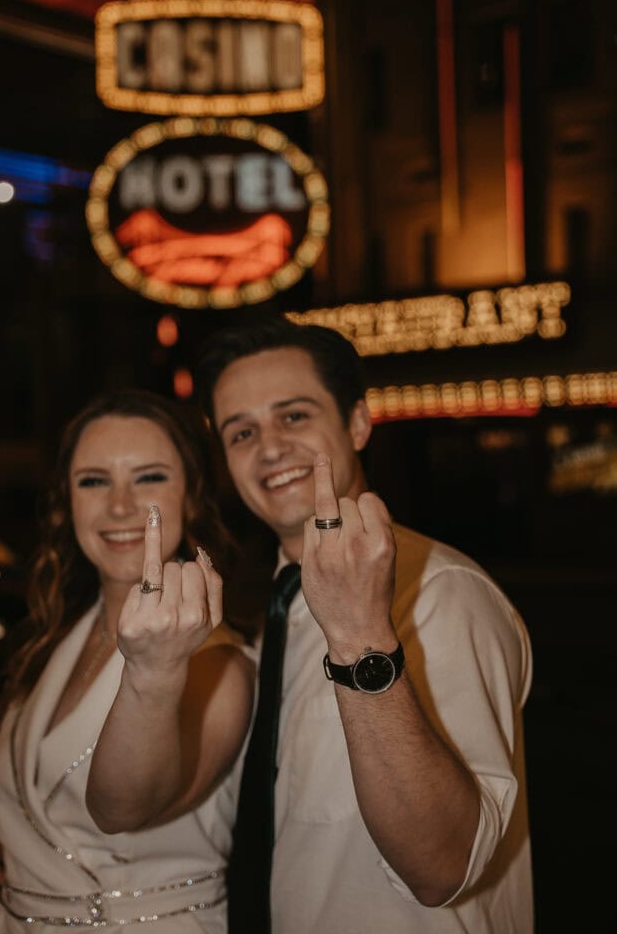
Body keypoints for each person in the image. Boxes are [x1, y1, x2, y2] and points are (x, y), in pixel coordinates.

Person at [193, 315, 534, 934]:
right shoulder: (272, 609)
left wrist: (359, 639)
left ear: (357, 422)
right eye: (241, 432)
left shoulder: (441, 593)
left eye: (294, 416)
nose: (269, 447)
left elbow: (442, 867)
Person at [0, 389, 254, 933]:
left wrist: (154, 670)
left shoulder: (222, 660)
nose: (120, 506)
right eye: (93, 480)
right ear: (65, 501)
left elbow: (123, 811)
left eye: (149, 477)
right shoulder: (61, 635)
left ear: (191, 496)